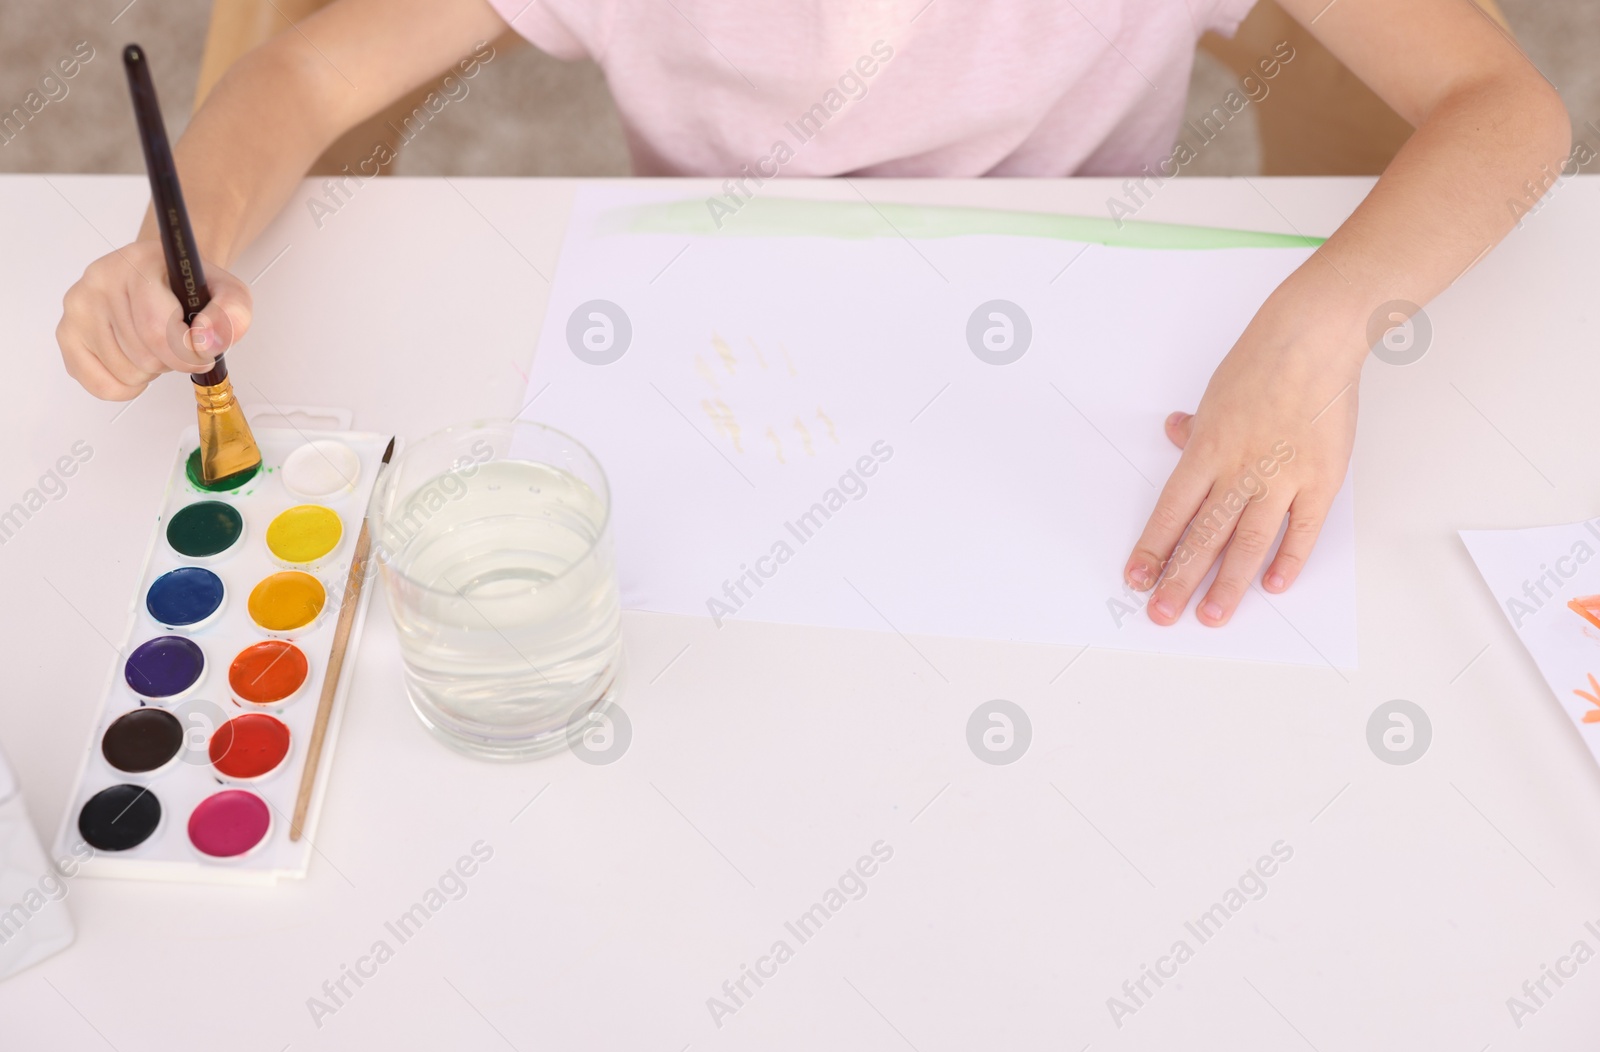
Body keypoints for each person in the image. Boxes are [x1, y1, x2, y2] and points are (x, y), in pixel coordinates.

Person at [55, 0, 1571, 626]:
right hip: (718, 369)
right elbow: (308, 71)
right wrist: (158, 249)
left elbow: (1504, 107)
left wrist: (1321, 324)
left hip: (1093, 381)